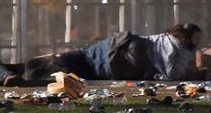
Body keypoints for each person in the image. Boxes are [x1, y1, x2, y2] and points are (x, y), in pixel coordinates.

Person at [26, 23, 204, 81]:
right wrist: (193, 72)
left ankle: (51, 60)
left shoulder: (165, 37)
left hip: (117, 44)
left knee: (84, 56)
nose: (198, 42)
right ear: (187, 36)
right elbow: (171, 72)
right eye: (196, 38)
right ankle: (56, 71)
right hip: (122, 60)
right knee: (88, 70)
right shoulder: (177, 47)